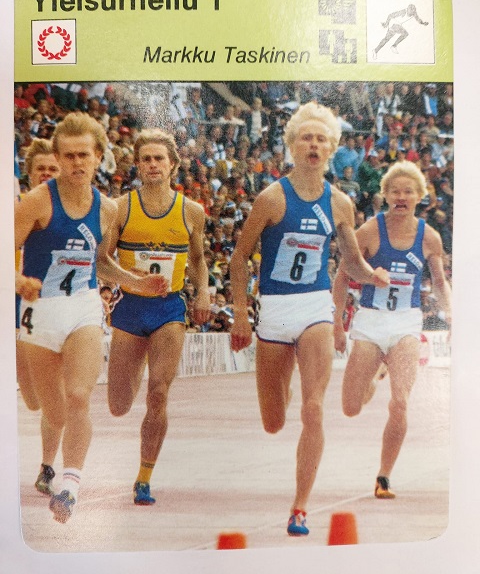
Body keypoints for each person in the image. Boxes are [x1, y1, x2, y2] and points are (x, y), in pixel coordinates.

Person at [229, 101, 389, 536]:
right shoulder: (271, 198)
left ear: (331, 148)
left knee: (313, 409)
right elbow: (240, 259)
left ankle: (300, 507)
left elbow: (351, 262)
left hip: (316, 308)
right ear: (292, 146)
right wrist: (241, 314)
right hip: (274, 313)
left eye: (321, 139)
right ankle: (282, 387)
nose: (314, 145)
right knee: (273, 421)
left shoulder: (339, 203)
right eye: (306, 138)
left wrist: (372, 274)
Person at [15, 113, 168, 523]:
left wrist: (136, 281)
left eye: (84, 155)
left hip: (82, 306)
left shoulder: (107, 209)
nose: (76, 163)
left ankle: (70, 486)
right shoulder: (38, 201)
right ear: (58, 158)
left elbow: (99, 263)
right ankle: (58, 464)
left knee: (80, 396)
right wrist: (18, 280)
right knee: (53, 412)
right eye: (68, 156)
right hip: (39, 312)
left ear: (99, 156)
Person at [332, 161, 451, 499]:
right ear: (385, 195)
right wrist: (338, 325)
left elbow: (439, 282)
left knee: (400, 402)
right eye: (395, 191)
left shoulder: (429, 237)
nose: (401, 197)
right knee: (351, 407)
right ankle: (374, 376)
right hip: (371, 321)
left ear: (419, 196)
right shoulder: (369, 231)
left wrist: (452, 316)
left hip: (405, 323)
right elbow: (342, 277)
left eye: (408, 192)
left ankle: (383, 476)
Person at [106, 128, 211, 506]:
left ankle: (144, 478)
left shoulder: (191, 211)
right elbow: (102, 261)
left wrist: (203, 291)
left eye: (159, 159)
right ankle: (132, 370)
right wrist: (131, 280)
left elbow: (197, 259)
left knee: (159, 392)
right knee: (119, 404)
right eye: (146, 159)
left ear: (172, 166)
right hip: (130, 308)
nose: (152, 165)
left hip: (169, 309)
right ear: (137, 164)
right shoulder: (120, 208)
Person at [16, 138, 62, 497]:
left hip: (49, 309)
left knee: (49, 397)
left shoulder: (65, 212)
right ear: (29, 173)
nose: (46, 174)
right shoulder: (16, 208)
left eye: (52, 169)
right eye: (40, 169)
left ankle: (47, 466)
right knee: (31, 398)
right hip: (14, 307)